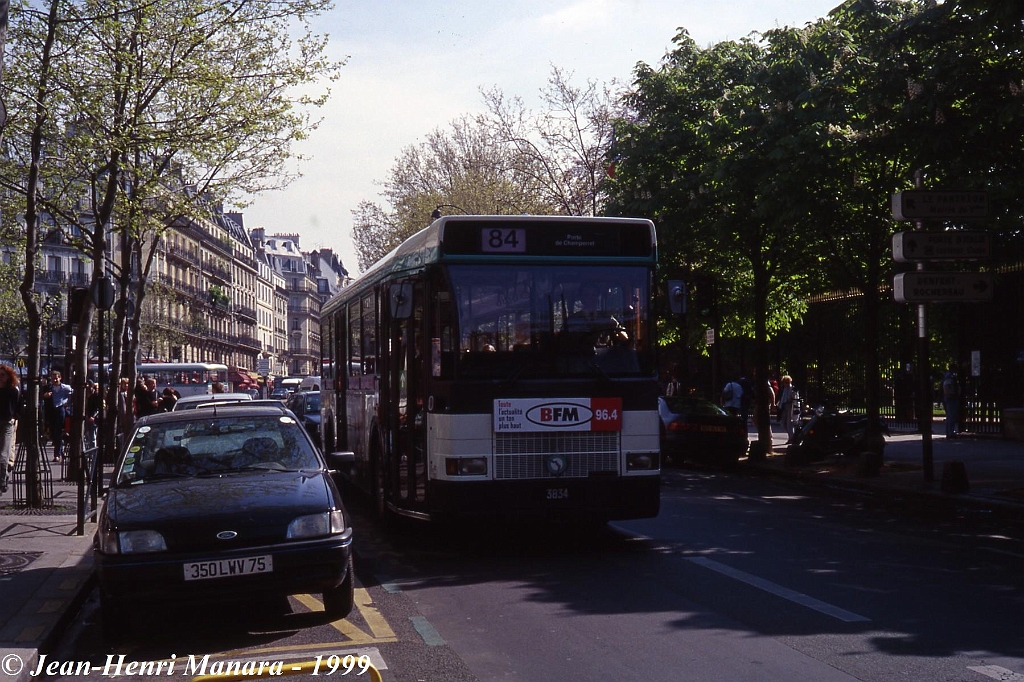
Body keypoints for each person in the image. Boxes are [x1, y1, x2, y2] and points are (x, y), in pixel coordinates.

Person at [42, 371, 73, 462]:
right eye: (53, 378)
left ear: (60, 378)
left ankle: (57, 454)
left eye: (56, 378)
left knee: (58, 432)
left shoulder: (65, 388)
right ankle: (61, 445)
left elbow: (74, 393)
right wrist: (45, 395)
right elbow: (42, 395)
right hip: (51, 412)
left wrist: (67, 402)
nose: (55, 380)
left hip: (60, 409)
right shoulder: (49, 387)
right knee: (53, 433)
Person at [0, 366, 20, 493]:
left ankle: (2, 482)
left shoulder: (13, 391)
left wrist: (14, 418)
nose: (1, 377)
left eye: (3, 375)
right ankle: (4, 477)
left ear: (8, 377)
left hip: (7, 423)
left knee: (3, 455)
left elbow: (18, 407)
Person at [84, 380, 103, 451]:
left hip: (92, 419)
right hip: (85, 417)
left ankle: (93, 455)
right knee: (85, 437)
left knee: (92, 438)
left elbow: (98, 408)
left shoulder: (96, 395)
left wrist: (93, 416)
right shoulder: (84, 395)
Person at [942, 366, 960, 438]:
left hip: (949, 397)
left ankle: (949, 432)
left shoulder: (948, 376)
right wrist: (950, 394)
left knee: (950, 416)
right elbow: (946, 386)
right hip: (951, 397)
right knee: (951, 416)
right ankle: (950, 432)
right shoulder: (950, 376)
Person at [777, 375, 796, 442]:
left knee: (789, 423)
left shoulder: (791, 388)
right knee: (783, 423)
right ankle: (791, 436)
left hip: (789, 405)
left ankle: (791, 438)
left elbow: (792, 398)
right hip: (784, 406)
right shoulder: (784, 388)